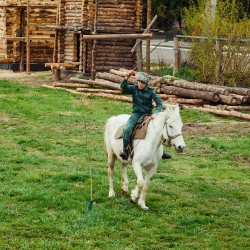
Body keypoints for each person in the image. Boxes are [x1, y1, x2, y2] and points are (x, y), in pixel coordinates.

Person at [119, 70, 172, 160]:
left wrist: (156, 113)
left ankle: (161, 151)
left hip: (149, 114)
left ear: (146, 83)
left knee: (160, 129)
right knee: (127, 129)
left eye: (142, 83)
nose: (139, 84)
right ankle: (125, 149)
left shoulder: (151, 92)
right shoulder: (134, 88)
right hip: (137, 114)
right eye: (138, 82)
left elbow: (159, 103)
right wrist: (127, 77)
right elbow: (123, 86)